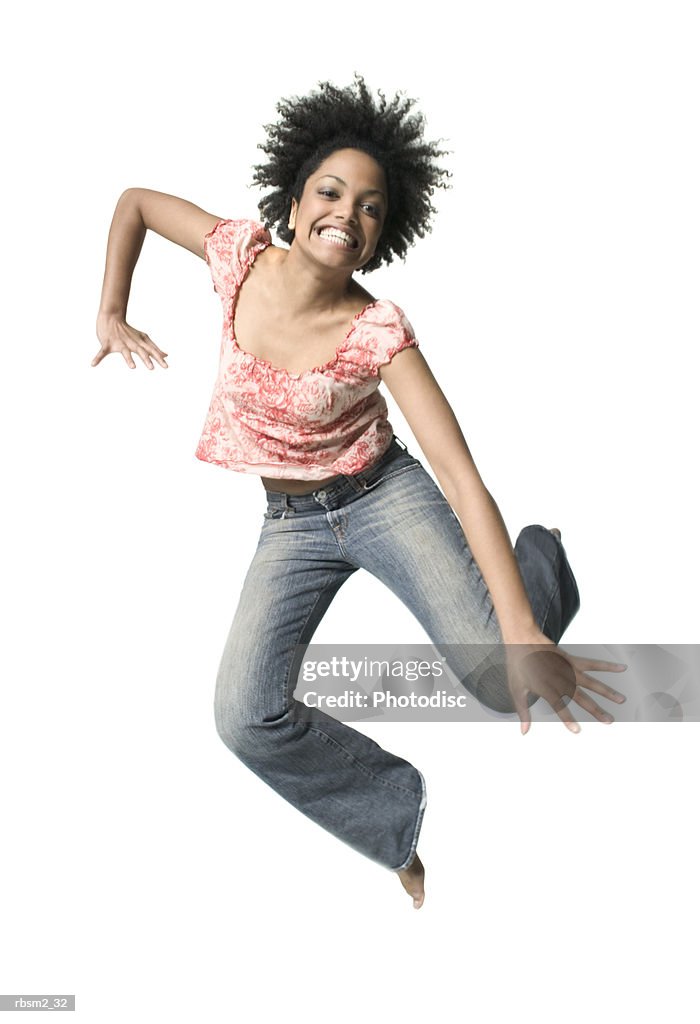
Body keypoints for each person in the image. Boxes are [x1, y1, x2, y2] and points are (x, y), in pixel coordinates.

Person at [93, 75, 627, 909]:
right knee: (243, 716)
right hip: (291, 526)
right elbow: (133, 203)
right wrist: (110, 312)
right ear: (296, 199)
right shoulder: (237, 256)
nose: (348, 211)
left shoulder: (378, 330)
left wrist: (520, 628)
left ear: (381, 236)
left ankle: (539, 567)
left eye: (372, 207)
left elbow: (459, 475)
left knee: (496, 677)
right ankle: (393, 826)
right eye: (332, 192)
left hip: (383, 497)